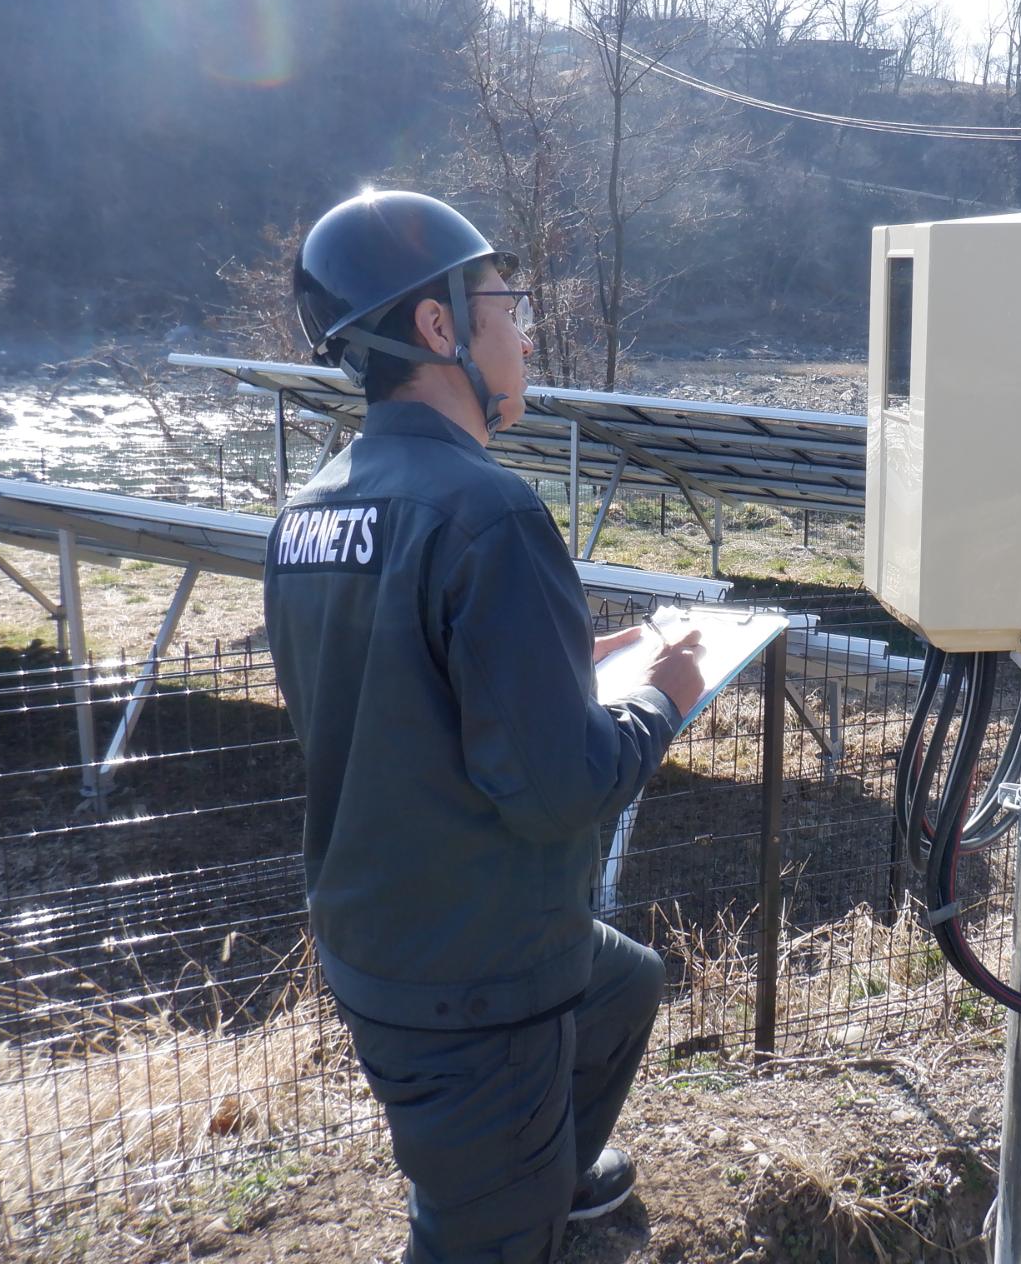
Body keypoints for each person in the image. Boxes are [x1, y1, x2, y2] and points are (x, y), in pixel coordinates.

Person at [263, 189, 705, 1262]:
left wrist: (568, 667)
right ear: (437, 326)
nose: (526, 331)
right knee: (475, 1248)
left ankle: (543, 1173)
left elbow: (389, 687)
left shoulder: (315, 506)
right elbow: (562, 789)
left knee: (625, 983)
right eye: (508, 304)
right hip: (478, 984)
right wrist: (668, 694)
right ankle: (510, 1205)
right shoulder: (489, 510)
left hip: (380, 934)